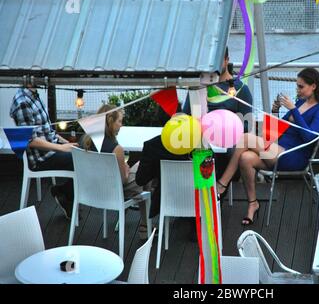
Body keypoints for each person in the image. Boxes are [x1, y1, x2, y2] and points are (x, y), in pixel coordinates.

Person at [136, 47, 253, 219]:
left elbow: (246, 126)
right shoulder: (198, 87)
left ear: (227, 60)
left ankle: (196, 207)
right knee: (158, 146)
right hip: (196, 144)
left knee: (197, 157)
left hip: (223, 148)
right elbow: (185, 117)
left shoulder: (239, 89)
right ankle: (174, 197)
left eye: (217, 61)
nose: (211, 67)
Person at [216, 68, 319, 225]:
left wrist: (293, 110)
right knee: (245, 158)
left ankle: (221, 184)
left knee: (244, 139)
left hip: (293, 156)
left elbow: (309, 136)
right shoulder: (300, 103)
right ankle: (253, 205)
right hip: (277, 150)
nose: (298, 90)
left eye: (301, 86)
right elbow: (275, 131)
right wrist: (275, 111)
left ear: (314, 86)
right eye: (297, 86)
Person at [80, 104, 149, 239]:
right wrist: (127, 170)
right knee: (145, 171)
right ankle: (145, 226)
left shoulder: (84, 141)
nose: (121, 125)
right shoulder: (116, 149)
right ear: (110, 122)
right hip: (113, 191)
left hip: (90, 189)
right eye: (120, 121)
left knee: (143, 178)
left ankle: (145, 225)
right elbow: (122, 180)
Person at [10, 84, 78, 219]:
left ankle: (65, 193)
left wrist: (66, 143)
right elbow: (30, 140)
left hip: (51, 148)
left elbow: (48, 131)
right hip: (41, 159)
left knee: (85, 150)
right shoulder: (22, 101)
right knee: (81, 160)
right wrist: (62, 148)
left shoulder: (34, 95)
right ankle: (66, 194)